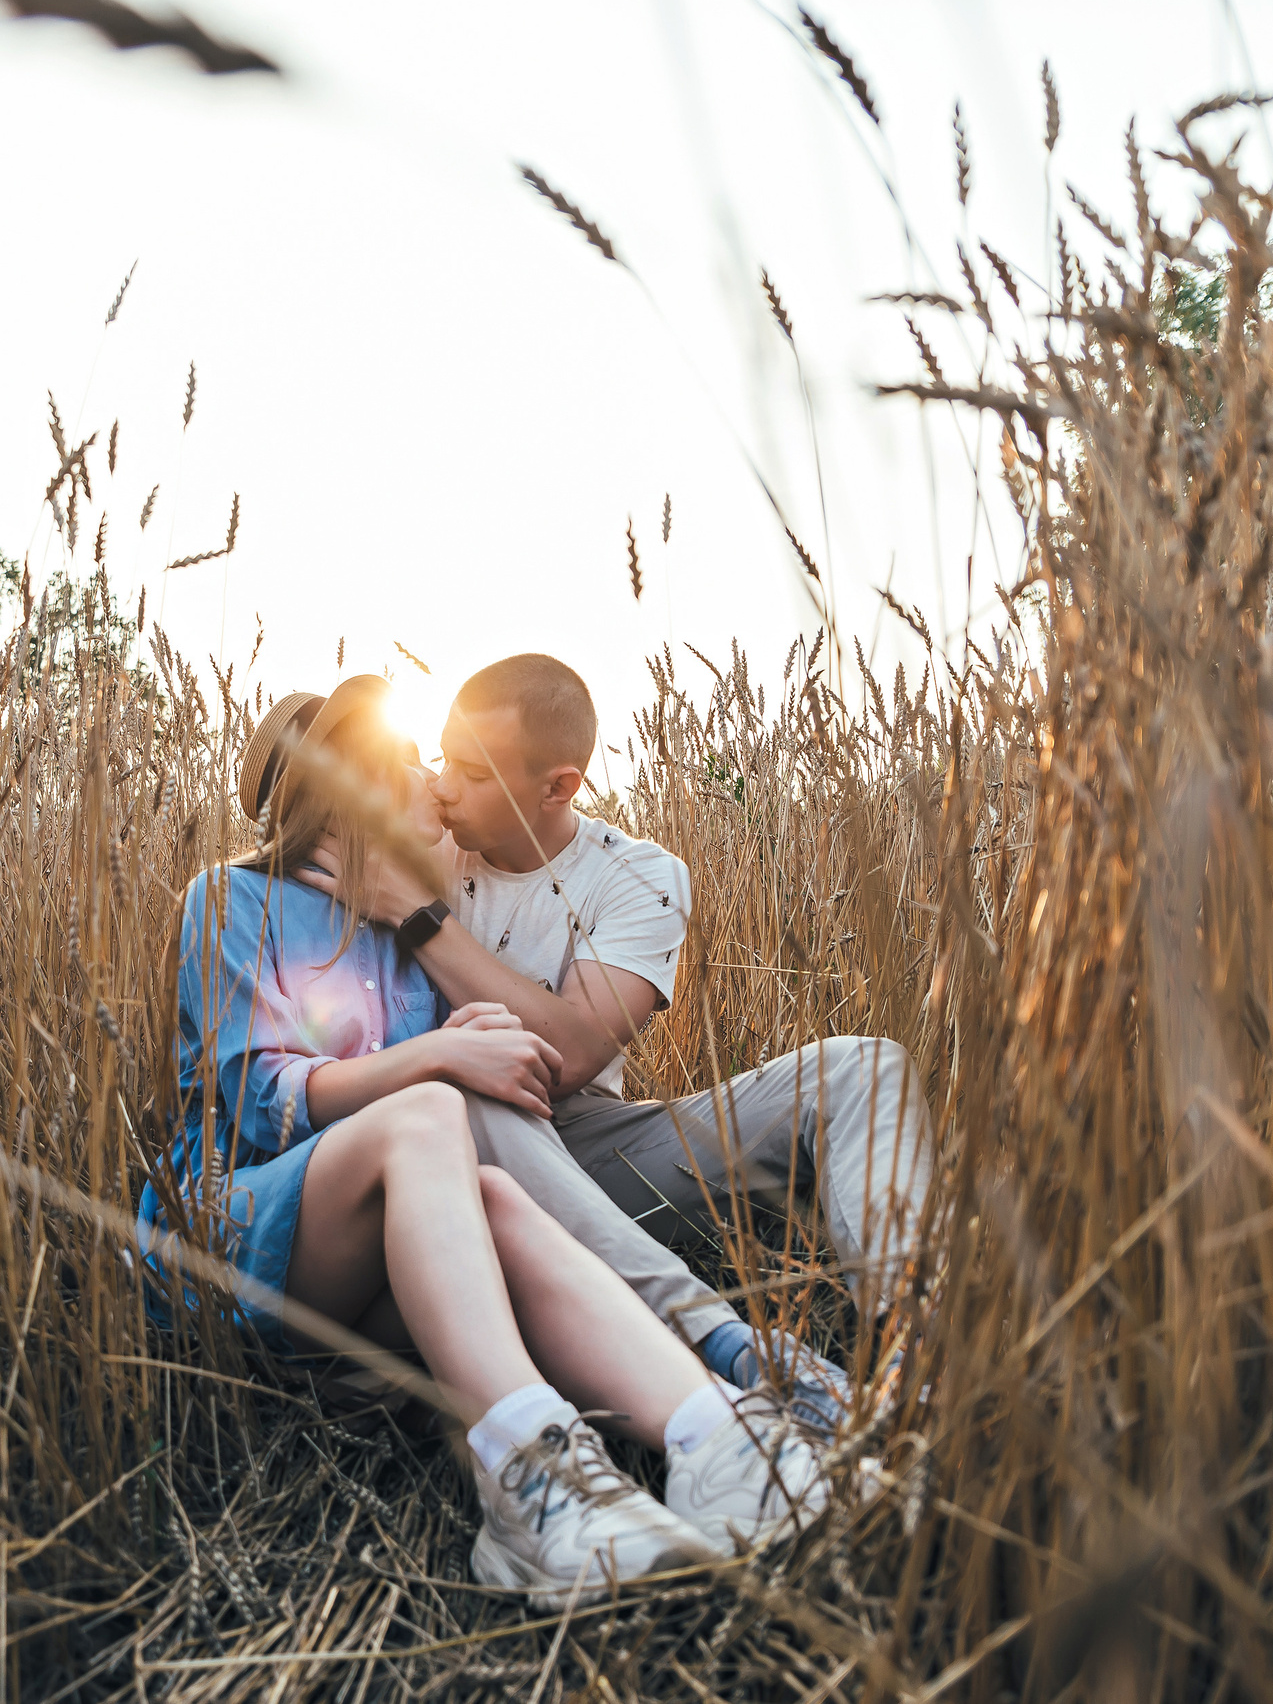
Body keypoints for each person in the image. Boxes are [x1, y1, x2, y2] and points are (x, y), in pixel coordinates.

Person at [136, 676, 836, 1608]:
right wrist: (438, 1057)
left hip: (373, 1262)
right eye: (403, 763)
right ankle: (525, 1486)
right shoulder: (231, 899)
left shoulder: (407, 934)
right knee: (431, 1111)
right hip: (238, 1233)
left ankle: (721, 1444)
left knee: (498, 1198)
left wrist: (476, 1050)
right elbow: (260, 1102)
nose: (430, 779)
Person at [300, 655, 937, 1421]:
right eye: (440, 757)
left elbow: (568, 1057)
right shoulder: (420, 841)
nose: (441, 785)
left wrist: (419, 916)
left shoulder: (637, 875)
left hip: (593, 1147)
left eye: (472, 772)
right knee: (460, 1095)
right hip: (445, 1162)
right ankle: (704, 1346)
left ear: (558, 786)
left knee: (864, 1066)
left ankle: (915, 1357)